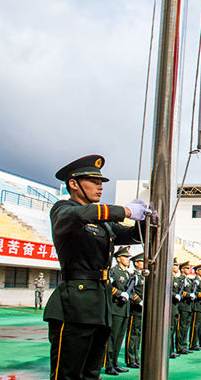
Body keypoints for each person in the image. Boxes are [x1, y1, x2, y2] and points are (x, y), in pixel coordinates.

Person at [43, 154, 148, 380]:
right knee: (68, 375)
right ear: (74, 184)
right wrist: (127, 211)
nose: (100, 187)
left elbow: (131, 234)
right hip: (75, 305)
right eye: (94, 181)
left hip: (100, 305)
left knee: (91, 373)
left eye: (101, 182)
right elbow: (87, 213)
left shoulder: (101, 221)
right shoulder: (63, 210)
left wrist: (147, 221)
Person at [105, 246, 133, 376]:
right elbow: (108, 287)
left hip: (125, 310)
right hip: (116, 308)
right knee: (112, 337)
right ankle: (109, 365)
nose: (128, 259)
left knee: (119, 338)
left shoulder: (127, 273)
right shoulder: (114, 271)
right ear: (118, 258)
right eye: (125, 257)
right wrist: (120, 294)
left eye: (128, 257)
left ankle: (115, 363)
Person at [125, 253, 145, 368]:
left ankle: (136, 358)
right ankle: (130, 359)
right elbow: (130, 291)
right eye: (141, 261)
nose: (143, 263)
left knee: (138, 334)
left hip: (141, 309)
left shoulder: (142, 276)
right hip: (135, 308)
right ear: (136, 263)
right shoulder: (134, 276)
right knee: (132, 334)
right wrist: (139, 301)